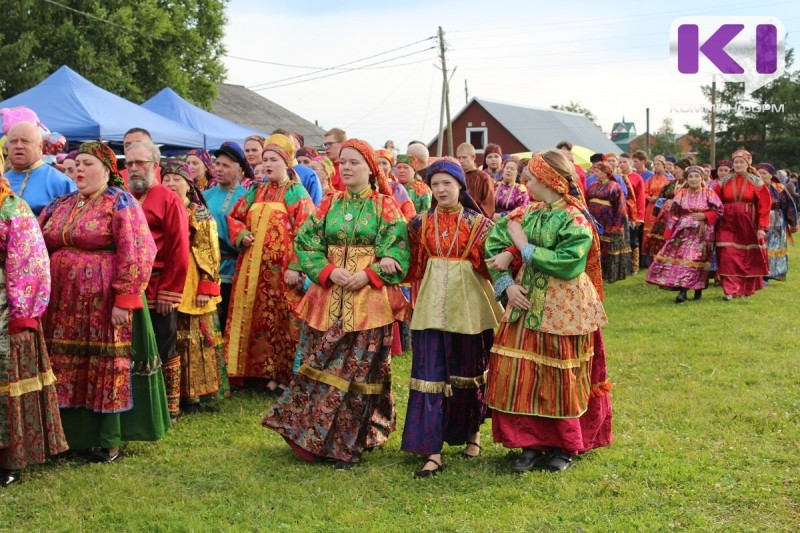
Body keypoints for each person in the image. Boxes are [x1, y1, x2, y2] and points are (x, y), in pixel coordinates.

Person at [263, 139, 410, 470]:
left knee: (357, 374)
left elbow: (398, 249)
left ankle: (347, 445)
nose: (345, 167)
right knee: (323, 367)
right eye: (342, 162)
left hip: (368, 303)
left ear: (370, 170)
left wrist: (370, 274)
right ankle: (314, 438)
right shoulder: (328, 204)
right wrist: (328, 271)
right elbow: (306, 241)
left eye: (353, 162)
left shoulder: (385, 206)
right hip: (328, 297)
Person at [484, 150, 612, 473]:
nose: (525, 182)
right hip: (526, 300)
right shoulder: (527, 212)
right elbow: (492, 244)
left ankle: (564, 444)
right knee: (522, 372)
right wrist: (506, 285)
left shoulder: (575, 218)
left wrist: (524, 247)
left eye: (532, 178)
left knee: (560, 374)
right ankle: (530, 442)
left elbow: (569, 262)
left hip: (564, 305)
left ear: (550, 181)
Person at [40, 142, 166, 464]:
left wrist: (125, 297)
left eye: (87, 163)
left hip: (103, 303)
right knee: (65, 366)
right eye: (76, 164)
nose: (79, 169)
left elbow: (138, 249)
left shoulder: (119, 202)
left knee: (101, 367)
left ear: (108, 170)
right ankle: (65, 437)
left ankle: (107, 441)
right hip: (62, 305)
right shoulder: (60, 204)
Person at [400, 157, 503, 478]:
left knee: (468, 371)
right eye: (435, 184)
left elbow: (493, 267)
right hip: (431, 306)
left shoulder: (480, 224)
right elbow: (410, 265)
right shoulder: (418, 224)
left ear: (460, 185)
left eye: (447, 183)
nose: (441, 189)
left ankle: (472, 434)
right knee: (430, 374)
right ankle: (432, 450)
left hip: (471, 307)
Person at [226, 138, 315, 391]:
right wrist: (241, 235)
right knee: (251, 317)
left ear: (286, 164)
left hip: (281, 272)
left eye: (273, 160)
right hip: (251, 269)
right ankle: (251, 373)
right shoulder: (255, 190)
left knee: (282, 320)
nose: (267, 165)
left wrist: (296, 267)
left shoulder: (295, 192)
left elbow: (307, 230)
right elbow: (234, 217)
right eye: (264, 160)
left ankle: (282, 375)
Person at [0, 163, 67, 487]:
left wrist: (23, 313)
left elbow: (30, 261)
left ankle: (7, 460)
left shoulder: (12, 208)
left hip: (5, 307)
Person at [126, 140, 190, 419]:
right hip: (130, 287)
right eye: (130, 163)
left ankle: (171, 406)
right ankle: (139, 403)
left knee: (164, 343)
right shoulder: (123, 196)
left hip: (159, 286)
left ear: (155, 165)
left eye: (141, 163)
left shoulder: (167, 198)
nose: (135, 168)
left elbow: (179, 247)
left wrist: (170, 291)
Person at [161, 160, 227, 413]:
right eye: (166, 179)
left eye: (176, 179)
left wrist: (207, 286)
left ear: (188, 185)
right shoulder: (160, 209)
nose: (170, 183)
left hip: (193, 279)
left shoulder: (199, 214)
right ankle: (171, 396)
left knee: (194, 338)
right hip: (168, 278)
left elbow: (210, 250)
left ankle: (195, 394)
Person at [646, 166, 723, 302]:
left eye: (696, 176)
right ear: (687, 179)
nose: (694, 179)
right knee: (685, 259)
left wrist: (705, 215)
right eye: (690, 177)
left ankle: (698, 290)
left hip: (703, 233)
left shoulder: (709, 193)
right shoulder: (682, 194)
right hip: (683, 232)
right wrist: (669, 231)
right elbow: (673, 213)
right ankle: (683, 291)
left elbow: (719, 211)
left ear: (701, 178)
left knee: (699, 259)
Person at [712, 150, 771, 299]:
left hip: (748, 223)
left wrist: (762, 227)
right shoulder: (724, 181)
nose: (738, 165)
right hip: (727, 223)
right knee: (727, 254)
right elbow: (714, 200)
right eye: (736, 162)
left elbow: (764, 205)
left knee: (747, 256)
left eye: (741, 162)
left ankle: (745, 288)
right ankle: (730, 290)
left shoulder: (756, 182)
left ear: (748, 164)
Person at [204, 143, 249, 333]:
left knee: (228, 322)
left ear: (239, 170)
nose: (219, 169)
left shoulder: (247, 197)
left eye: (225, 166)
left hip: (233, 268)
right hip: (207, 267)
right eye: (217, 164)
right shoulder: (205, 195)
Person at [4, 122, 76, 216]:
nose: (18, 146)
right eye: (13, 141)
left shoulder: (61, 183)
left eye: (25, 141)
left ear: (40, 146)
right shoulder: (3, 180)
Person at [587, 161, 630, 283]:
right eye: (595, 170)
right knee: (595, 245)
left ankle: (609, 274)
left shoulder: (614, 186)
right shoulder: (593, 185)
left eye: (598, 171)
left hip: (608, 220)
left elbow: (620, 206)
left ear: (606, 173)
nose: (595, 173)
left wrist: (617, 224)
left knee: (608, 246)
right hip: (594, 219)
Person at [757, 163, 797, 281]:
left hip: (776, 220)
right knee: (761, 246)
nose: (761, 175)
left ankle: (771, 274)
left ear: (771, 175)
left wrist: (793, 222)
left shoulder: (779, 188)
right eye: (759, 173)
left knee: (774, 246)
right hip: (759, 219)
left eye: (764, 173)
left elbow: (789, 205)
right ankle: (759, 274)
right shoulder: (755, 186)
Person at [641, 156, 673, 265]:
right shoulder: (650, 179)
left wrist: (658, 198)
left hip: (663, 207)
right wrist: (648, 197)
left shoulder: (669, 179)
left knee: (661, 230)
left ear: (663, 165)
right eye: (654, 164)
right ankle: (649, 258)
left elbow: (670, 194)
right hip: (651, 207)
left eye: (658, 164)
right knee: (649, 231)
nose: (656, 167)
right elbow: (644, 191)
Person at [619, 153, 646, 274]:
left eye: (624, 162)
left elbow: (640, 198)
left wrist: (639, 218)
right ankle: (623, 266)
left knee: (633, 240)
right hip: (619, 212)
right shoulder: (616, 177)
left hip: (632, 213)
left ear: (630, 163)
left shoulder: (636, 178)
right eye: (620, 162)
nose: (622, 164)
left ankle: (634, 266)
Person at [456, 143, 496, 218]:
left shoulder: (484, 178)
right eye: (459, 157)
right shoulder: (456, 177)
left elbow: (488, 208)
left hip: (477, 222)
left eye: (464, 157)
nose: (461, 161)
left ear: (473, 157)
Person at [493, 156, 530, 221]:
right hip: (492, 219)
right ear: (503, 170)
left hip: (510, 221)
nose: (509, 170)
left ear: (517, 173)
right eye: (507, 168)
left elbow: (523, 209)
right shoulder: (494, 185)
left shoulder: (520, 189)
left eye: (512, 169)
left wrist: (502, 216)